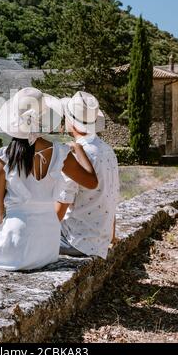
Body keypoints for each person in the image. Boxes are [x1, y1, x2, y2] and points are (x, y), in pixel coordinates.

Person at [0, 88, 98, 272]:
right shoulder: (61, 153)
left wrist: (1, 237)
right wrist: (79, 150)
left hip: (18, 240)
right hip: (49, 245)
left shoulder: (3, 157)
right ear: (44, 119)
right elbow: (92, 182)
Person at [56, 91, 119, 259]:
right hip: (100, 241)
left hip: (77, 241)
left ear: (71, 122)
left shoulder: (76, 154)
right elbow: (111, 196)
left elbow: (60, 210)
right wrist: (111, 236)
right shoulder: (107, 150)